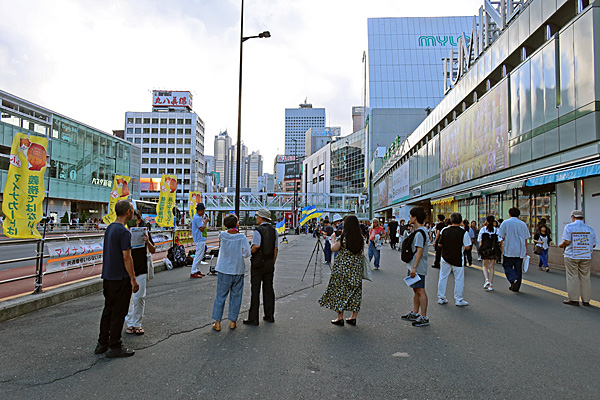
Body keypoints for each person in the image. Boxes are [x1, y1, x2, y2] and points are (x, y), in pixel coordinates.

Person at [95, 200, 139, 358]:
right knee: (119, 312)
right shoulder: (124, 232)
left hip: (108, 276)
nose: (133, 212)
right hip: (120, 277)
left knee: (108, 310)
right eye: (132, 209)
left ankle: (102, 343)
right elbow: (127, 257)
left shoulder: (110, 228)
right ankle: (115, 345)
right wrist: (133, 279)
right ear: (128, 212)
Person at [319, 215, 364, 326]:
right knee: (355, 293)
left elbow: (334, 248)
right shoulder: (361, 238)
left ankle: (340, 318)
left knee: (341, 292)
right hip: (356, 270)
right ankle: (353, 317)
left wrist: (333, 239)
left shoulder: (343, 237)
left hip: (342, 269)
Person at [211, 214, 251, 331]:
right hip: (238, 269)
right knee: (236, 296)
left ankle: (217, 323)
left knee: (220, 296)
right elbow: (247, 253)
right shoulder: (242, 237)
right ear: (237, 224)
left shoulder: (222, 235)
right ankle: (233, 321)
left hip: (224, 269)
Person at [244, 208, 278, 325]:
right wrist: (272, 262)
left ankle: (253, 318)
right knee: (268, 290)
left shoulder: (258, 231)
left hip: (258, 264)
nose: (256, 218)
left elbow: (256, 246)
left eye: (257, 216)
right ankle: (269, 315)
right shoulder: (274, 231)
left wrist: (248, 252)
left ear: (261, 218)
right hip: (269, 264)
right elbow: (276, 248)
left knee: (255, 290)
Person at [125, 209, 155, 336]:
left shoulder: (144, 232)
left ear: (139, 220)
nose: (133, 221)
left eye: (135, 219)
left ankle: (137, 323)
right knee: (128, 298)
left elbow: (153, 250)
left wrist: (147, 241)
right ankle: (130, 323)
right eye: (131, 218)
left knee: (139, 297)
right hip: (127, 269)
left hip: (141, 267)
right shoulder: (124, 232)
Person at [558, 210, 597, 306]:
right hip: (586, 255)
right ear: (583, 218)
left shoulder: (569, 227)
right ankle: (586, 300)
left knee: (572, 276)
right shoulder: (590, 228)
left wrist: (561, 245)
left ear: (573, 217)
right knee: (585, 277)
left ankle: (574, 299)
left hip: (572, 255)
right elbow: (593, 244)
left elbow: (567, 241)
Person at [401, 207, 430, 327]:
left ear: (415, 218)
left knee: (420, 290)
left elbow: (419, 251)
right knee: (416, 289)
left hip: (418, 266)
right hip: (415, 265)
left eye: (410, 216)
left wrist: (414, 268)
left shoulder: (420, 233)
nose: (409, 218)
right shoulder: (420, 231)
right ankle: (415, 312)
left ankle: (424, 316)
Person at [437, 212, 471, 306]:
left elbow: (440, 244)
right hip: (457, 258)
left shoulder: (445, 230)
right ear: (461, 221)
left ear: (451, 220)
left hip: (445, 257)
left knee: (443, 277)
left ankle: (441, 297)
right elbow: (468, 247)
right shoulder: (463, 232)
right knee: (459, 279)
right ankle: (458, 299)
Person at [498, 208, 530, 292]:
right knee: (518, 268)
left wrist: (501, 247)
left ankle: (513, 279)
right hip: (520, 249)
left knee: (507, 266)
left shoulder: (505, 223)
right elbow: (526, 238)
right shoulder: (523, 224)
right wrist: (526, 250)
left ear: (509, 214)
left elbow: (501, 236)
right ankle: (516, 286)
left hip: (509, 249)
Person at [478, 216, 501, 291]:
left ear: (486, 221)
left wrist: (481, 249)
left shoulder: (483, 229)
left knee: (485, 266)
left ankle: (486, 280)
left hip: (485, 250)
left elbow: (480, 240)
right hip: (493, 250)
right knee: (491, 267)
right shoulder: (496, 230)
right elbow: (500, 240)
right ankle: (491, 285)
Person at [190, 203, 209, 278]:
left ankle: (197, 270)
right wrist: (206, 221)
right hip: (199, 239)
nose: (204, 212)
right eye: (203, 210)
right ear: (200, 210)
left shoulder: (197, 217)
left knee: (200, 256)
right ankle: (193, 271)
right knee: (198, 256)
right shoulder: (197, 218)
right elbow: (201, 229)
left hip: (200, 238)